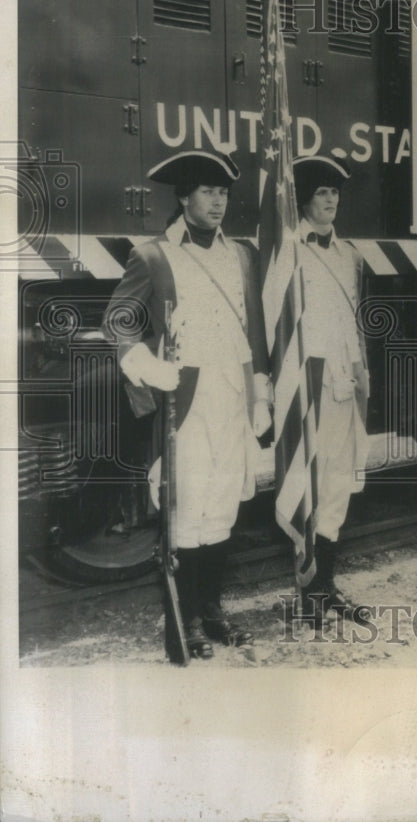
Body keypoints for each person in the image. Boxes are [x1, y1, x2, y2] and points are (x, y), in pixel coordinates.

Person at [102, 150, 271, 660]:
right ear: (184, 197)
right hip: (186, 398)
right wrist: (148, 367)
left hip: (234, 393)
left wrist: (260, 389)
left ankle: (214, 610)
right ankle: (189, 616)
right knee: (188, 505)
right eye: (207, 192)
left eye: (223, 193)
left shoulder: (242, 254)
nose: (218, 202)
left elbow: (255, 330)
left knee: (222, 504)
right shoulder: (153, 256)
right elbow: (119, 320)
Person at [291, 154, 370, 621]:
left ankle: (326, 588)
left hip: (344, 378)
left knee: (339, 483)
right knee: (310, 485)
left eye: (335, 193)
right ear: (304, 199)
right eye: (322, 192)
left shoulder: (348, 254)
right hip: (308, 382)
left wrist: (361, 374)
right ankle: (306, 593)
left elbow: (353, 320)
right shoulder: (289, 250)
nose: (331, 200)